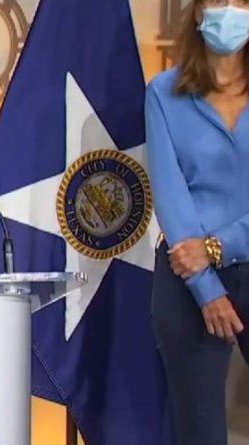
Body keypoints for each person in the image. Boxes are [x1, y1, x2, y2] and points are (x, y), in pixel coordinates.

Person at [146, 1, 249, 443]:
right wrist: (206, 287)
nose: (229, 10)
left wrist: (218, 247)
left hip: (210, 255)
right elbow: (170, 195)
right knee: (199, 431)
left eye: (240, 1)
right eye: (217, 0)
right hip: (187, 278)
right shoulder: (163, 93)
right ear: (199, 12)